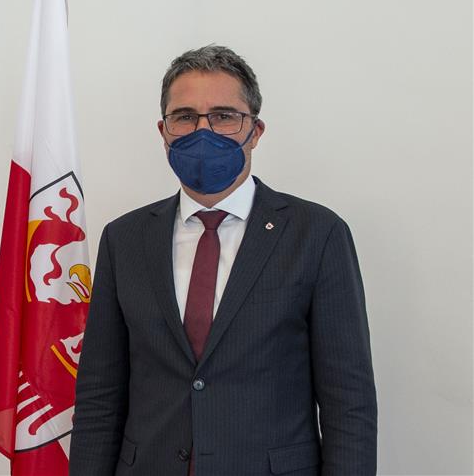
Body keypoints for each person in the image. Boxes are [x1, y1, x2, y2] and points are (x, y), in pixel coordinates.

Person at [70, 46, 377, 476]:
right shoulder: (124, 239)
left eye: (224, 116)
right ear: (163, 131)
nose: (203, 131)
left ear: (256, 130)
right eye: (185, 117)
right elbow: (99, 395)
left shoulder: (317, 234)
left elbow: (349, 402)